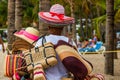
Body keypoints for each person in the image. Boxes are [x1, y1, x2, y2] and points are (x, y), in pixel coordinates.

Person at [36, 4, 94, 80]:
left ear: (49, 26)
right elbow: (77, 61)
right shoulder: (70, 42)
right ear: (63, 27)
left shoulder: (42, 41)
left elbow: (36, 63)